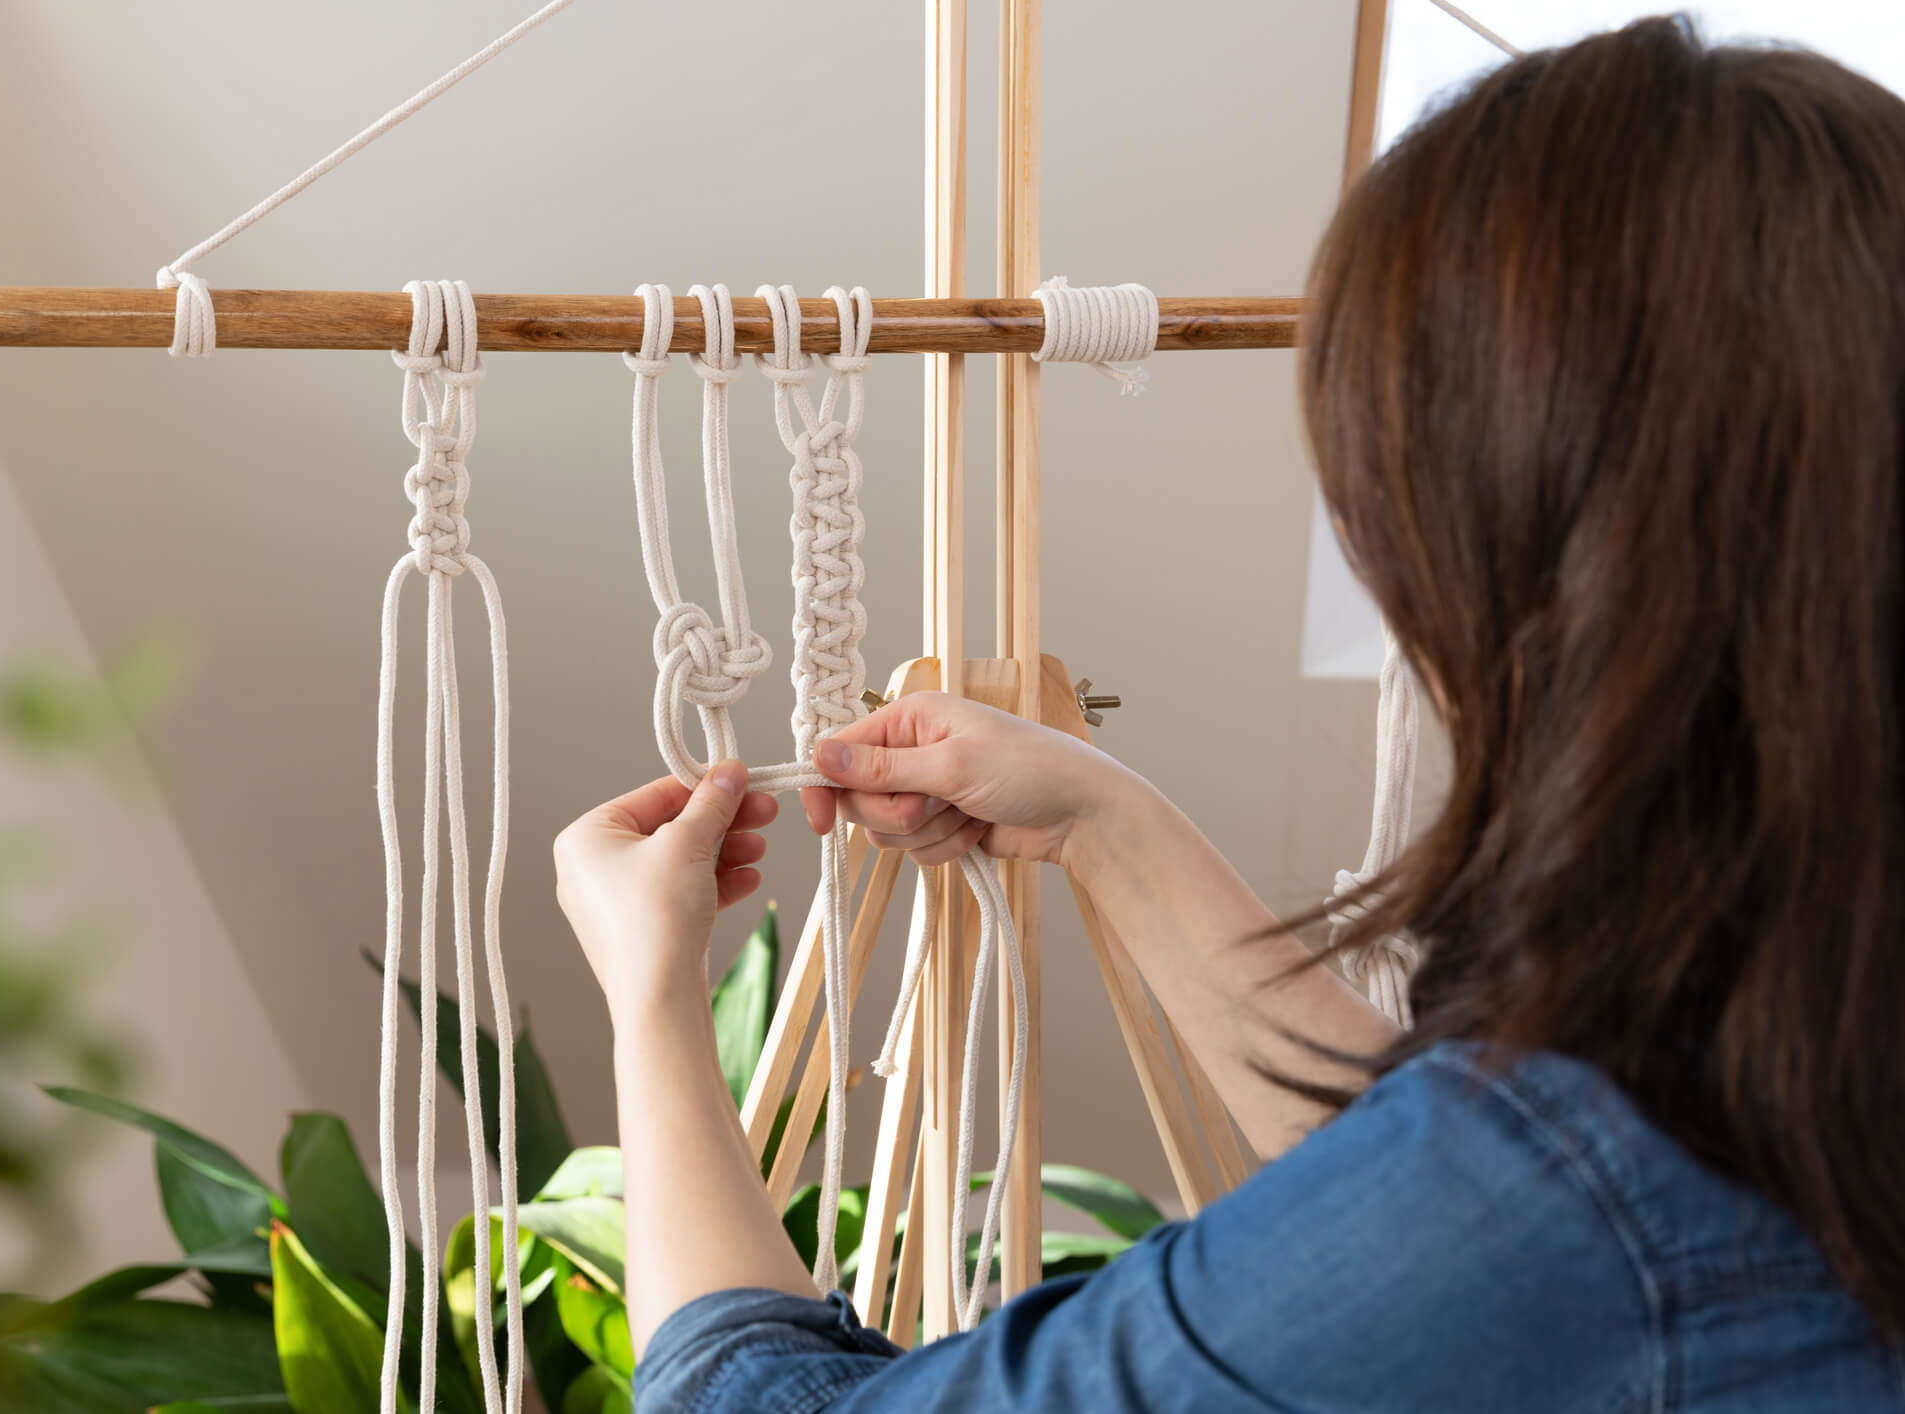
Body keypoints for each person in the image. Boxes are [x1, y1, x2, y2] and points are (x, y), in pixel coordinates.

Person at [550, 17, 1905, 1411]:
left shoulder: (1581, 1196)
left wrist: (655, 999)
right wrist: (1098, 816)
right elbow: (1440, 1207)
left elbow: (1498, 1220)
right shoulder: (1784, 1050)